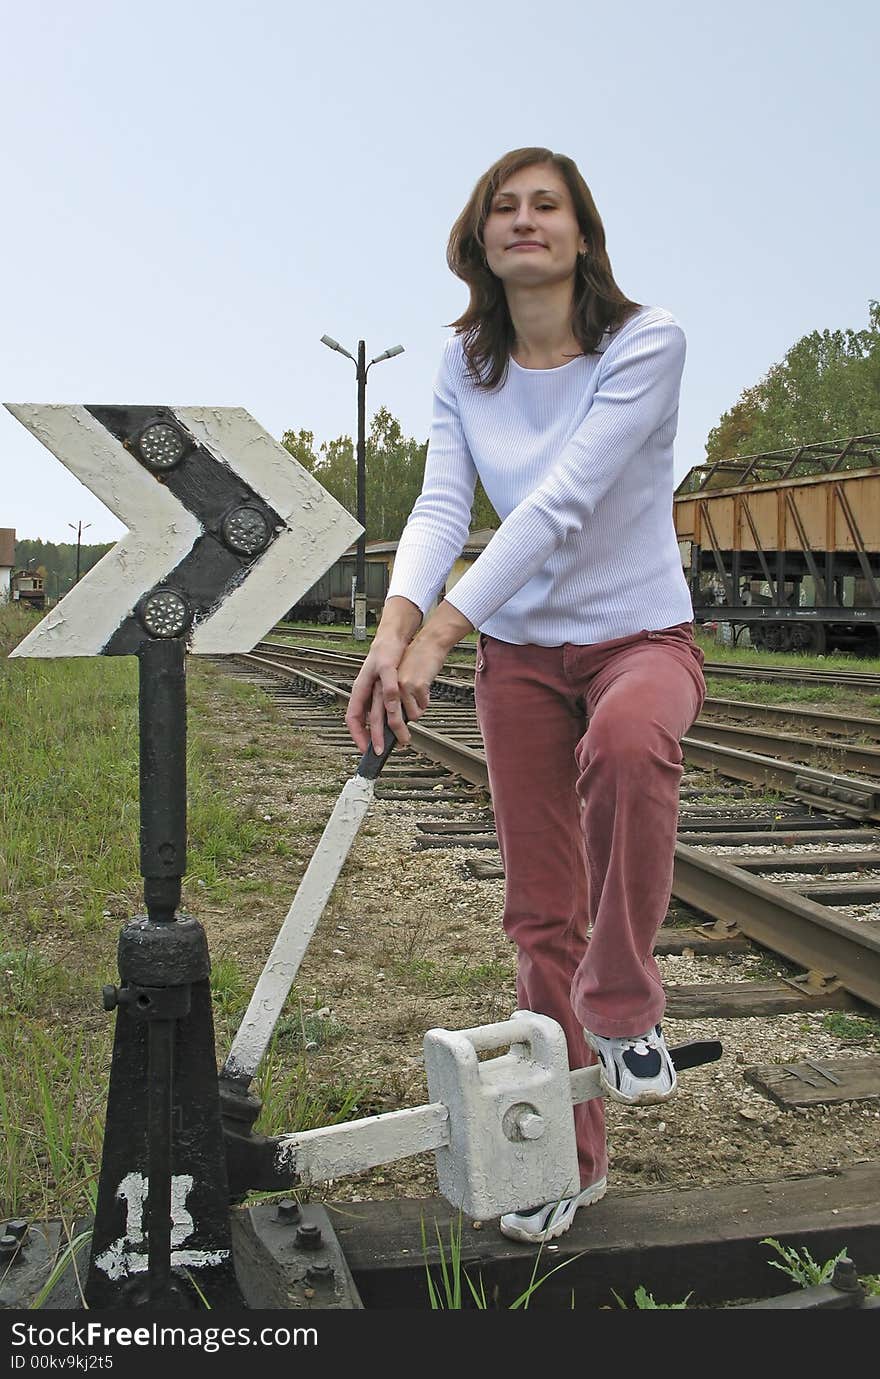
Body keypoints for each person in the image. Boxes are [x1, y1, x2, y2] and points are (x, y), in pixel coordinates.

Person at [345, 146, 706, 1245]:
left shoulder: (646, 345)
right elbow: (441, 502)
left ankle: (626, 1001)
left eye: (547, 205)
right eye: (503, 207)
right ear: (479, 238)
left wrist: (443, 628)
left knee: (634, 747)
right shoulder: (466, 364)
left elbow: (558, 503)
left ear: (583, 234)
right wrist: (393, 623)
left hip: (638, 636)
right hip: (521, 664)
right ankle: (569, 1157)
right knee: (540, 914)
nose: (524, 220)